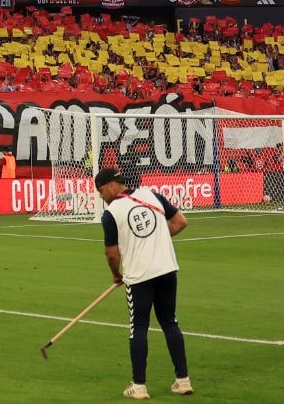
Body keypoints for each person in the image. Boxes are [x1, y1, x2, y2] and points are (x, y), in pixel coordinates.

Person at [95, 166, 192, 399]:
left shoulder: (111, 213)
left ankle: (139, 386)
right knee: (170, 321)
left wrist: (116, 274)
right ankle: (183, 381)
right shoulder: (152, 195)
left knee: (138, 327)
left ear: (111, 186)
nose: (101, 196)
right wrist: (157, 238)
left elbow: (111, 254)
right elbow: (180, 222)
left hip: (139, 276)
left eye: (101, 191)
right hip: (167, 269)